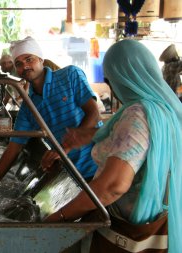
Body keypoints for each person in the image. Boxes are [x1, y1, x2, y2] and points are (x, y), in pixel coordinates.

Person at [44, 40, 182, 253]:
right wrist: (89, 135)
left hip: (126, 229)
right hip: (160, 220)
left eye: (110, 80)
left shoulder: (138, 114)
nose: (112, 87)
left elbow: (112, 186)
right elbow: (132, 140)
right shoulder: (167, 109)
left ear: (123, 78)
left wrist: (59, 217)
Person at [0, 36, 101, 186]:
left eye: (29, 59)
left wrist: (65, 148)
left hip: (99, 163)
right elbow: (13, 148)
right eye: (19, 64)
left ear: (41, 59)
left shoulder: (70, 75)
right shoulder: (28, 107)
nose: (24, 66)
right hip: (71, 177)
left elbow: (93, 113)